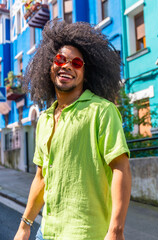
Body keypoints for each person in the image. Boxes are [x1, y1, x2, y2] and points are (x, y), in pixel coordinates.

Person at [14, 20, 131, 240]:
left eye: (77, 63)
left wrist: (116, 229)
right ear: (49, 67)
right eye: (60, 59)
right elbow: (41, 178)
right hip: (45, 232)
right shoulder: (45, 119)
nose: (67, 65)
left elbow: (121, 167)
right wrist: (25, 225)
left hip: (85, 233)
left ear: (85, 74)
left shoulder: (102, 111)